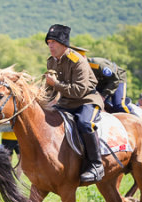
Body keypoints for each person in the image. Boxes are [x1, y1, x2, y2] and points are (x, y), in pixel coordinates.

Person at [43, 23, 105, 183]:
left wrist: (55, 84)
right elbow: (51, 91)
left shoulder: (77, 60)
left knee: (85, 124)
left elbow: (79, 90)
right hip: (66, 102)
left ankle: (96, 165)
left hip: (87, 100)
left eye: (53, 42)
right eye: (48, 43)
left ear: (63, 44)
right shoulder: (51, 62)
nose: (50, 46)